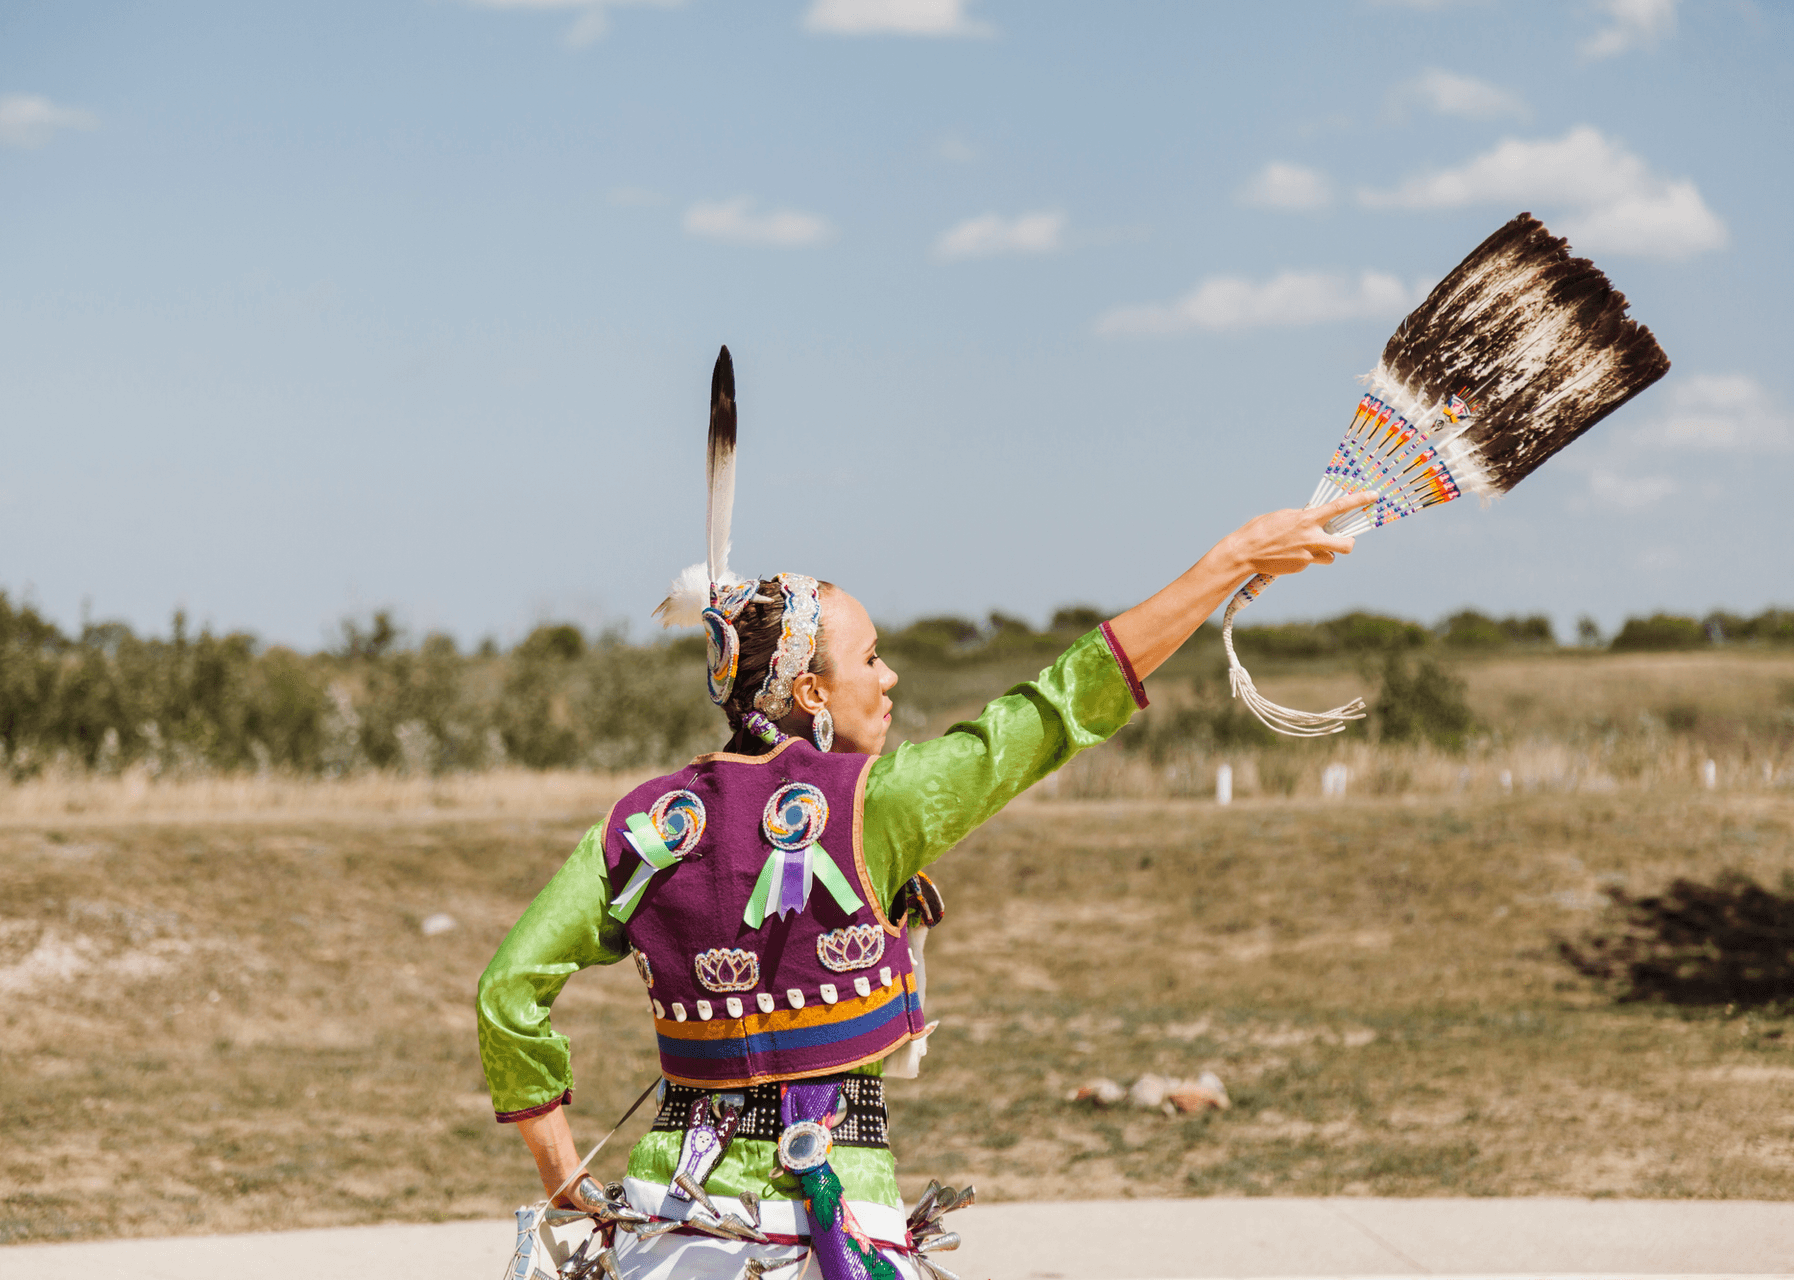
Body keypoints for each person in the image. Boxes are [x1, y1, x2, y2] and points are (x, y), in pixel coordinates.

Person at [477, 349, 1374, 1280]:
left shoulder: (645, 822)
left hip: (668, 1232)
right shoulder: (878, 803)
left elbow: (507, 990)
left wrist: (558, 1176)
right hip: (824, 1227)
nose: (890, 676)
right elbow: (1061, 706)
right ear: (813, 689)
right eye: (872, 658)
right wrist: (1227, 562)